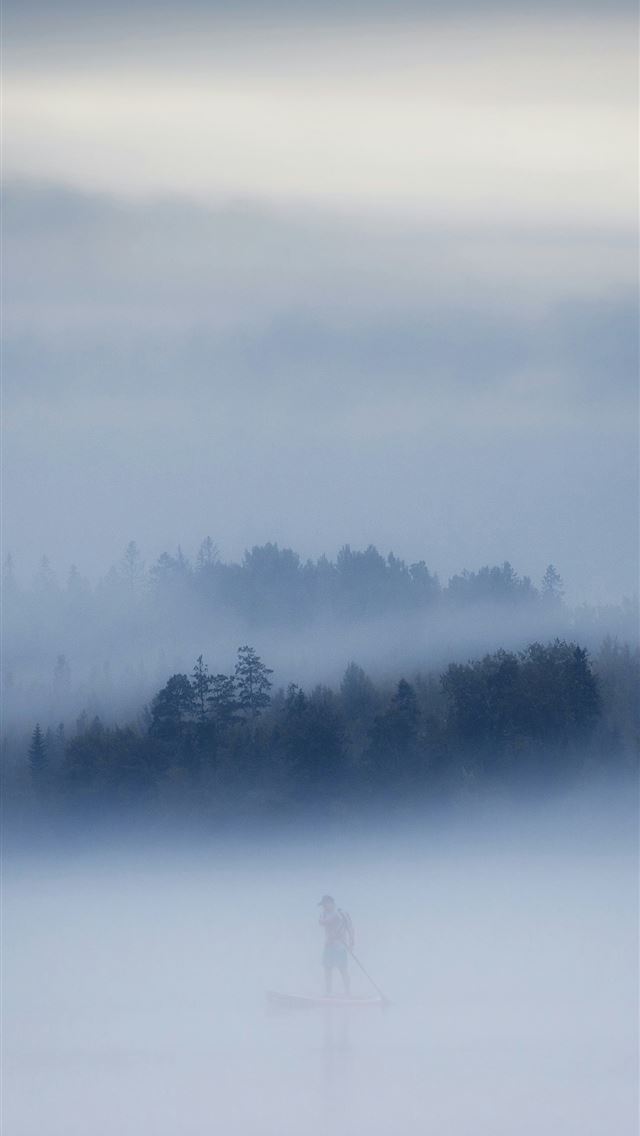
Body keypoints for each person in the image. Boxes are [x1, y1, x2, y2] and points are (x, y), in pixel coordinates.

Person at [318, 895, 351, 996]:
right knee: (327, 969)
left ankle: (348, 992)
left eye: (325, 904)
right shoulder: (324, 914)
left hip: (340, 946)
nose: (323, 907)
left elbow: (350, 927)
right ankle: (328, 992)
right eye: (323, 905)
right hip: (328, 946)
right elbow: (321, 922)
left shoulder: (341, 913)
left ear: (331, 903)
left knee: (342, 969)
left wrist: (352, 941)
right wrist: (327, 919)